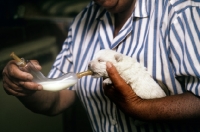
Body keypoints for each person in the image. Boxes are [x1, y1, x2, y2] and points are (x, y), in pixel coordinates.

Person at [2, 0, 200, 131]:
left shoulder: (181, 12)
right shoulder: (81, 22)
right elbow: (55, 101)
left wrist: (143, 109)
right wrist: (26, 86)